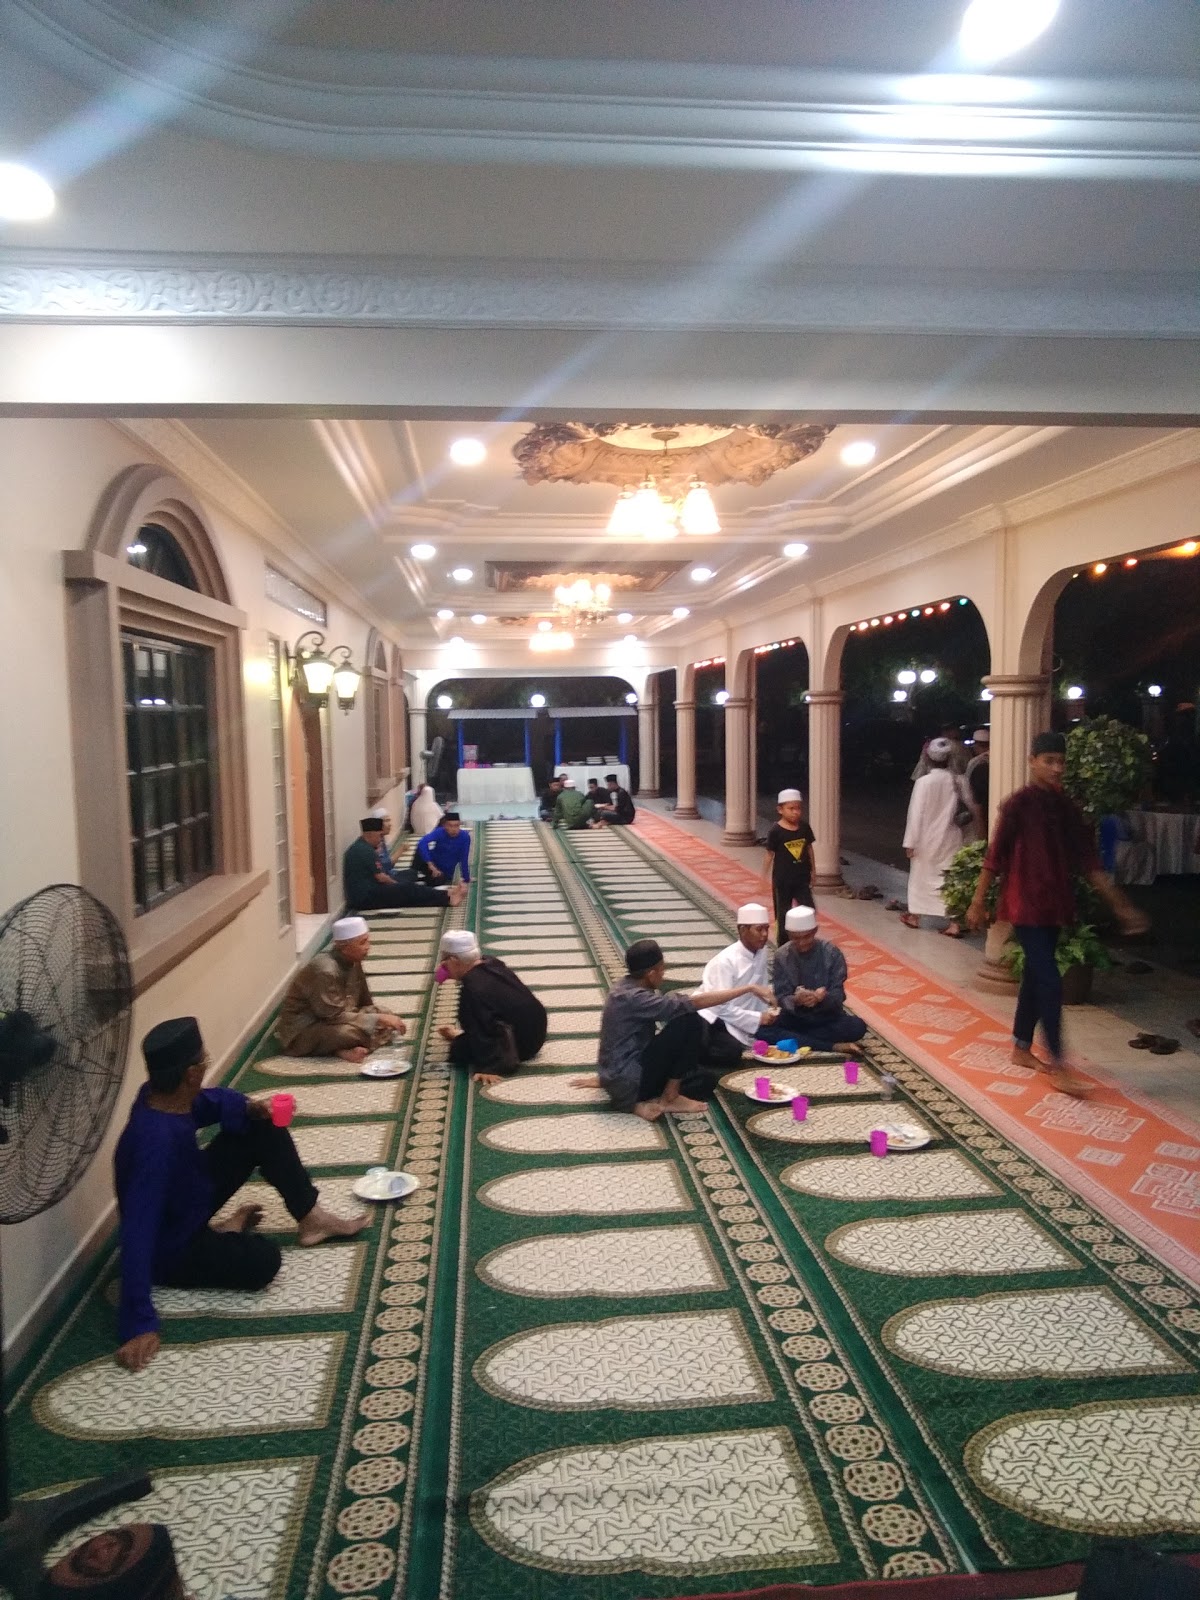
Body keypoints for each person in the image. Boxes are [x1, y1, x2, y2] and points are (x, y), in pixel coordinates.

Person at [113, 1016, 369, 1372]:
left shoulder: (159, 1096)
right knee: (264, 1260)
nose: (206, 1066)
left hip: (188, 1199)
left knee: (260, 1126)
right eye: (203, 1061)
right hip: (171, 1248)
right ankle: (223, 1234)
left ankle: (311, 1217)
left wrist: (250, 1106)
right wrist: (138, 1323)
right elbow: (138, 1231)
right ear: (191, 1074)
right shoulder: (154, 1143)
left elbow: (208, 1102)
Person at [967, 730, 1149, 1097]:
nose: (1056, 768)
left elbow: (1089, 861)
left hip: (1055, 905)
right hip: (1024, 903)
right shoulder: (1018, 804)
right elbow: (995, 855)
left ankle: (1021, 1047)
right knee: (1050, 980)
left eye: (1061, 762)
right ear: (1032, 762)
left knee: (1037, 976)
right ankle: (1059, 1064)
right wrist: (977, 900)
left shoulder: (1067, 807)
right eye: (1049, 761)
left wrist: (1121, 905)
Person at [572, 938, 774, 1119]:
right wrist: (747, 989)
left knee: (704, 1080)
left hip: (619, 1075)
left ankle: (656, 1095)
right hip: (630, 1081)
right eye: (661, 969)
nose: (663, 974)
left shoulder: (624, 987)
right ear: (651, 974)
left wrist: (607, 1078)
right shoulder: (636, 998)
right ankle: (669, 1096)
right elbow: (692, 1004)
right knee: (689, 1018)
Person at [277, 916, 408, 1061]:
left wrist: (378, 1016)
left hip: (340, 1015)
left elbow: (365, 1002)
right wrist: (378, 1020)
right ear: (344, 947)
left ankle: (343, 1048)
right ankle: (342, 1049)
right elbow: (332, 1016)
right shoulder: (325, 971)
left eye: (367, 941)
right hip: (306, 1028)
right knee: (347, 1033)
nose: (368, 946)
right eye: (362, 942)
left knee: (384, 1013)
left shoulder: (353, 959)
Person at [435, 929, 548, 1084]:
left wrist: (488, 1067)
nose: (442, 965)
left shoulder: (473, 988)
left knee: (460, 1049)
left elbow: (481, 1029)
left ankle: (460, 1039)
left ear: (454, 960)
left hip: (520, 1047)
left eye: (444, 960)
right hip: (537, 1035)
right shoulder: (492, 964)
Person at [761, 906, 868, 1050]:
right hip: (795, 1019)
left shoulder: (831, 953)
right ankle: (831, 1046)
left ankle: (800, 1040)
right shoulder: (782, 955)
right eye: (795, 938)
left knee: (857, 1026)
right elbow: (781, 996)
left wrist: (822, 998)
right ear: (789, 935)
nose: (802, 943)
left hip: (826, 1017)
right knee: (762, 1030)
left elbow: (838, 996)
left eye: (806, 937)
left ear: (815, 931)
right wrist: (795, 1000)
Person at [692, 903, 779, 1067]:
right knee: (730, 1052)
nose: (764, 935)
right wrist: (757, 1019)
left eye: (766, 929)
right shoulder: (725, 962)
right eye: (759, 929)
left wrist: (767, 1011)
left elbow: (761, 988)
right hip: (715, 1017)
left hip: (743, 1016)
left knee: (783, 1027)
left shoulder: (761, 951)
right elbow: (720, 1008)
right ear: (743, 930)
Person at [901, 737, 967, 934]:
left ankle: (915, 916)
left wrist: (910, 842)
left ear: (928, 758)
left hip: (926, 839)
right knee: (949, 878)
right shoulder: (959, 780)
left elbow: (916, 814)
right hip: (951, 837)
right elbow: (970, 806)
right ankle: (954, 923)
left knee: (921, 878)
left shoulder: (924, 782)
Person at [344, 816, 466, 910]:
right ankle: (448, 897)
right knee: (407, 889)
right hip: (366, 899)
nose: (381, 839)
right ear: (370, 834)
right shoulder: (365, 851)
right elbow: (381, 877)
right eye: (379, 836)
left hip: (369, 893)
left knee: (408, 890)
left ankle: (447, 895)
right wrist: (397, 885)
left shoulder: (362, 847)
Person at [763, 788, 816, 944]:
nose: (795, 812)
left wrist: (814, 871)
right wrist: (763, 877)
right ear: (780, 810)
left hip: (802, 879)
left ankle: (806, 940)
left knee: (808, 909)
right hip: (782, 881)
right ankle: (783, 945)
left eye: (798, 808)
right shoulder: (776, 831)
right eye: (791, 808)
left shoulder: (804, 828)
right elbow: (769, 854)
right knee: (783, 914)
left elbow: (809, 848)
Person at [416, 810, 472, 890]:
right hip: (431, 863)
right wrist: (430, 864)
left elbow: (464, 858)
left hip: (443, 871)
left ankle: (422, 881)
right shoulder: (440, 832)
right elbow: (422, 842)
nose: (454, 829)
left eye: (456, 826)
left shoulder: (465, 837)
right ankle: (415, 874)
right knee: (420, 850)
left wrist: (466, 878)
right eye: (450, 826)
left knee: (438, 881)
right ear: (445, 826)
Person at [965, 727, 991, 841]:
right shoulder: (998, 759)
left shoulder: (976, 763)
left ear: (976, 745)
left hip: (979, 810)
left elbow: (973, 795)